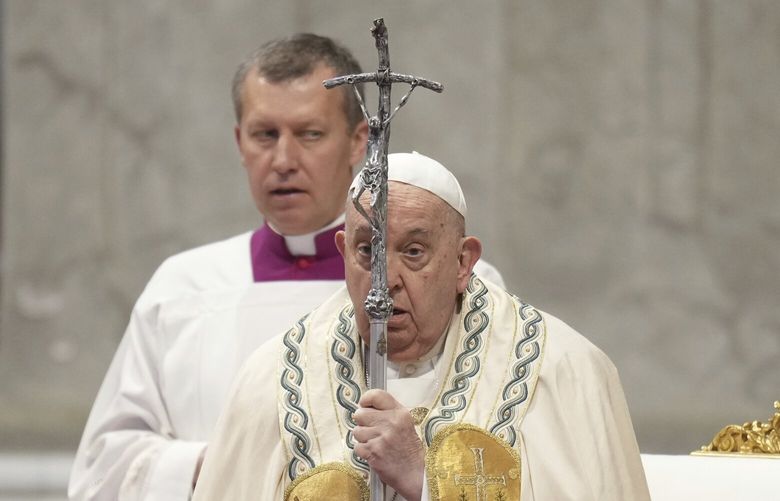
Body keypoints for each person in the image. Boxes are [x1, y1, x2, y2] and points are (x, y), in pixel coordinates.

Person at [68, 37, 503, 501]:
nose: (283, 161)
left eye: (309, 134)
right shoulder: (183, 288)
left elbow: (502, 449)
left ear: (359, 141)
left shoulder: (459, 286)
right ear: (239, 142)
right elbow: (100, 470)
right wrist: (222, 462)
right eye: (265, 135)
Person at [192, 152, 651, 501]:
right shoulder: (273, 380)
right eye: (367, 251)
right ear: (343, 251)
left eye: (413, 252)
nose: (385, 280)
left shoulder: (562, 371)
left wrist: (424, 479)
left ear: (463, 261)